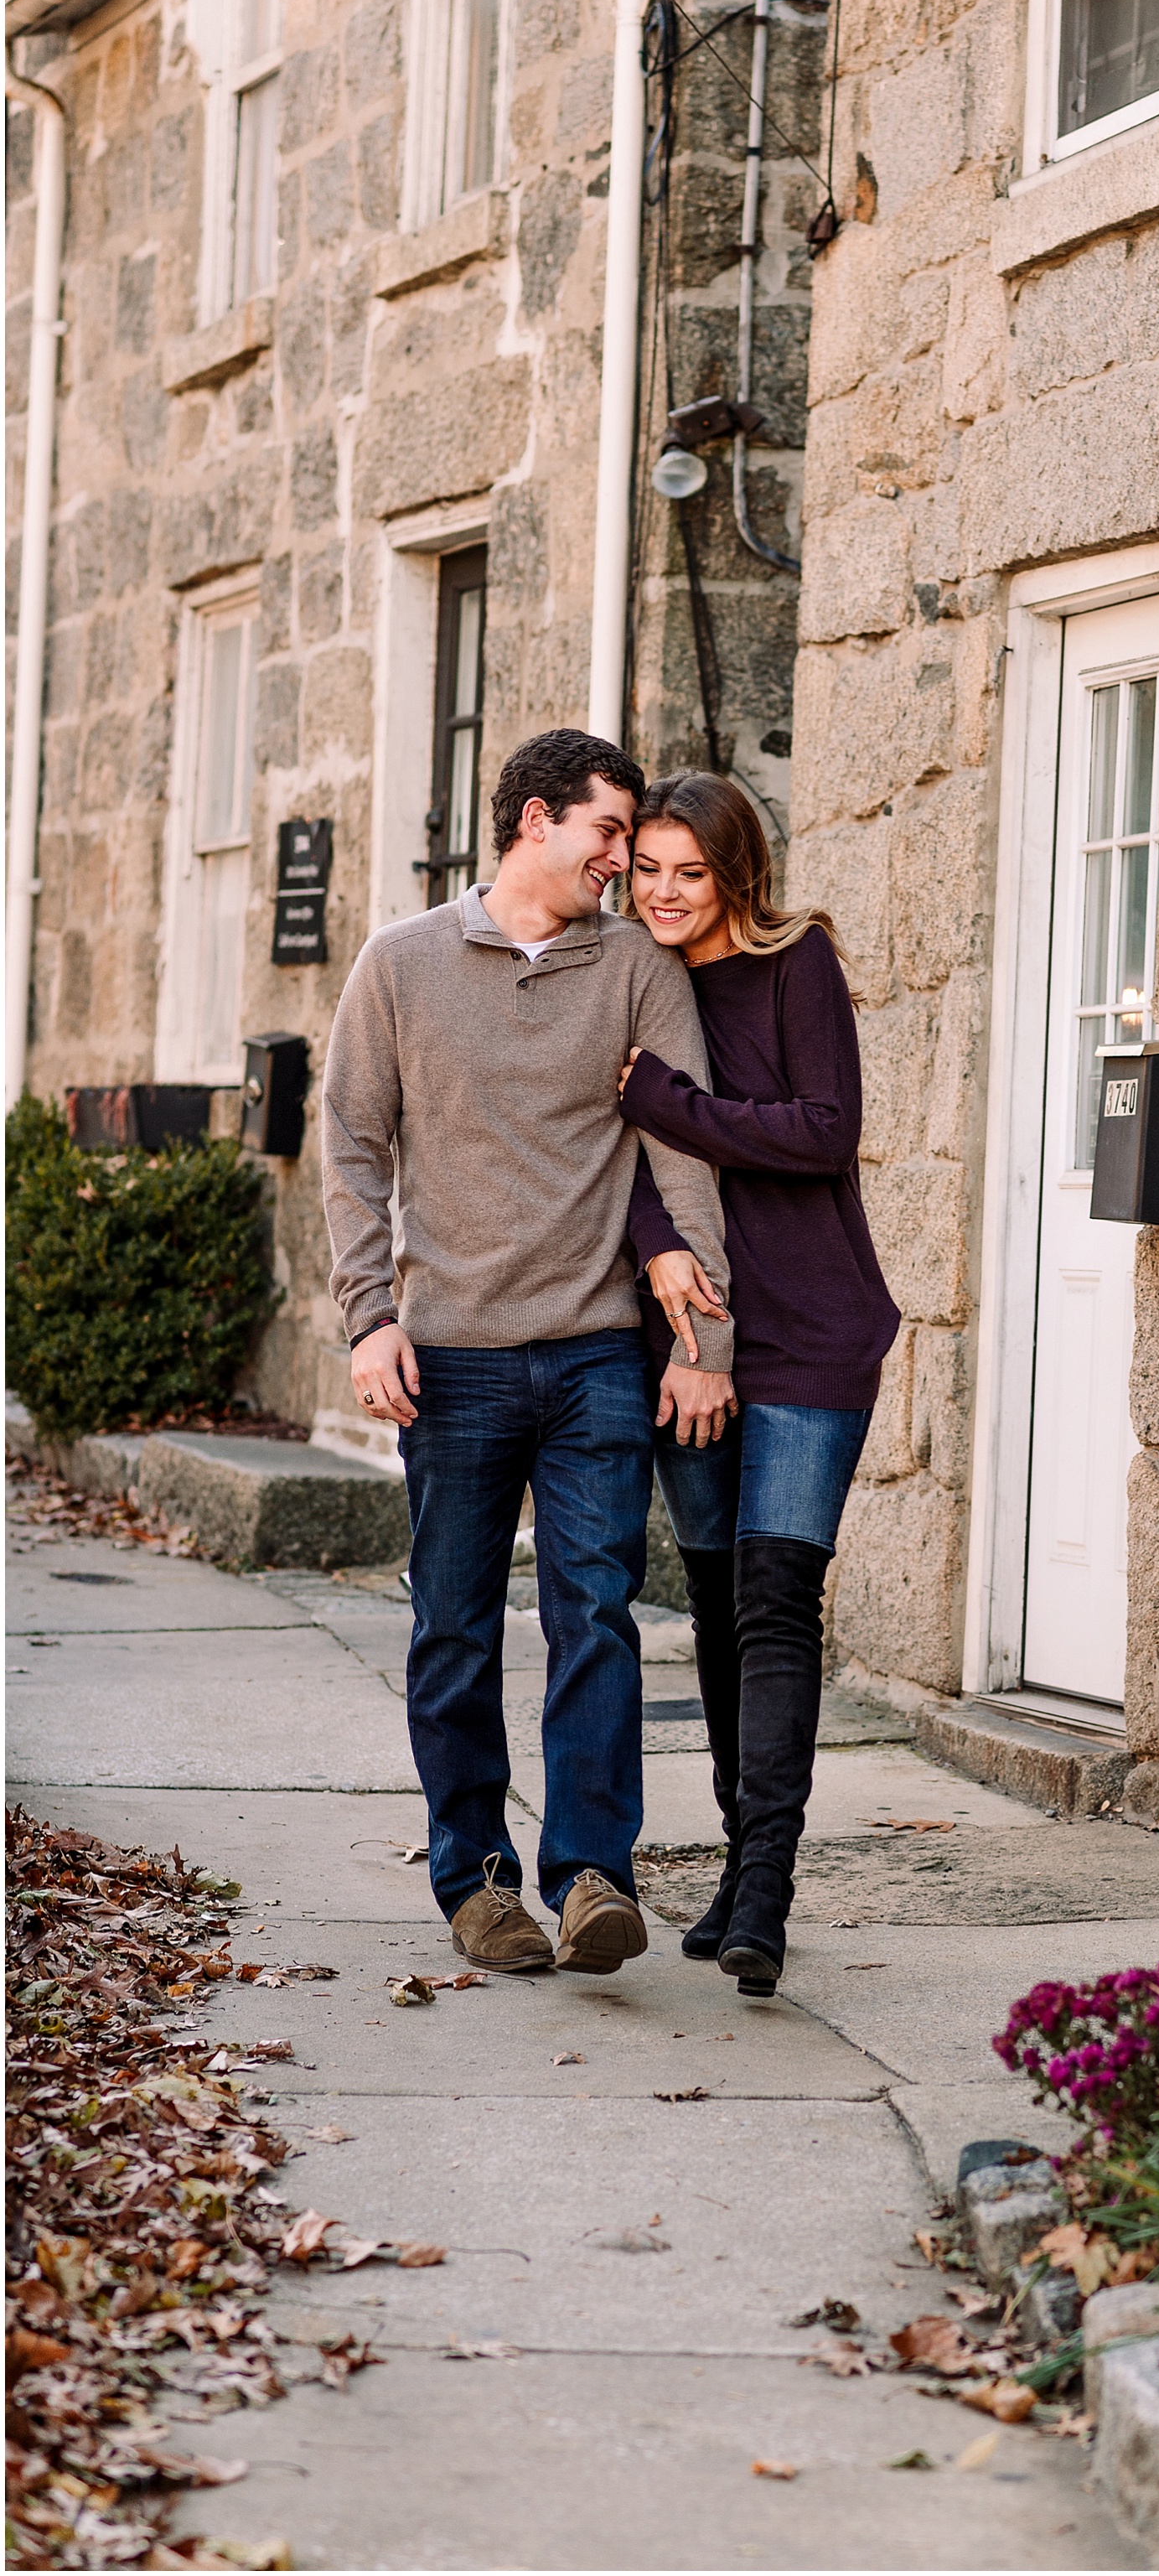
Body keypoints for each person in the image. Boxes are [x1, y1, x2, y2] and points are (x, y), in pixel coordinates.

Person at [322, 729, 737, 1981]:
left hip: (599, 1355)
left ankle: (594, 1873)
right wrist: (366, 1316)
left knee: (596, 1617)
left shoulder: (635, 972)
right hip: (447, 1360)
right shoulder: (400, 965)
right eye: (610, 833)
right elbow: (350, 1146)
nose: (627, 859)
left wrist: (700, 1341)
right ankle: (478, 1878)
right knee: (452, 1626)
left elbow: (687, 1155)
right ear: (536, 822)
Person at [618, 770, 900, 1996]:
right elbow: (611, 1158)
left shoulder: (799, 965)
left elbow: (822, 1129)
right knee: (724, 1600)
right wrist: (663, 1261)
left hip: (815, 1331)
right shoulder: (629, 980)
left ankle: (770, 1881)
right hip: (697, 1335)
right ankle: (741, 1859)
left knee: (780, 1593)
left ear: (738, 873)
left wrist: (674, 1100)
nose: (667, 893)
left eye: (691, 871)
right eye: (649, 871)